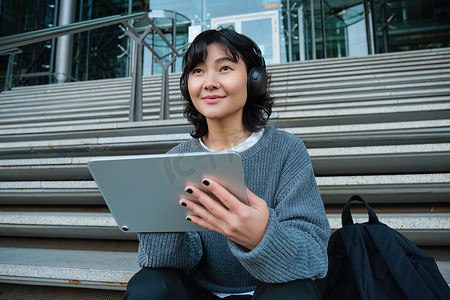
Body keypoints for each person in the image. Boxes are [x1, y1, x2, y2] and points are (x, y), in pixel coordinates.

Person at [123, 28, 330, 300]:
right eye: (198, 71)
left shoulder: (286, 150)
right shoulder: (175, 159)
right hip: (200, 293)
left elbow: (314, 256)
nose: (209, 82)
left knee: (295, 293)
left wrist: (261, 236)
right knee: (148, 285)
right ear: (187, 84)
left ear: (254, 79)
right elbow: (171, 264)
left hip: (270, 291)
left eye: (225, 68)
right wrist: (157, 222)